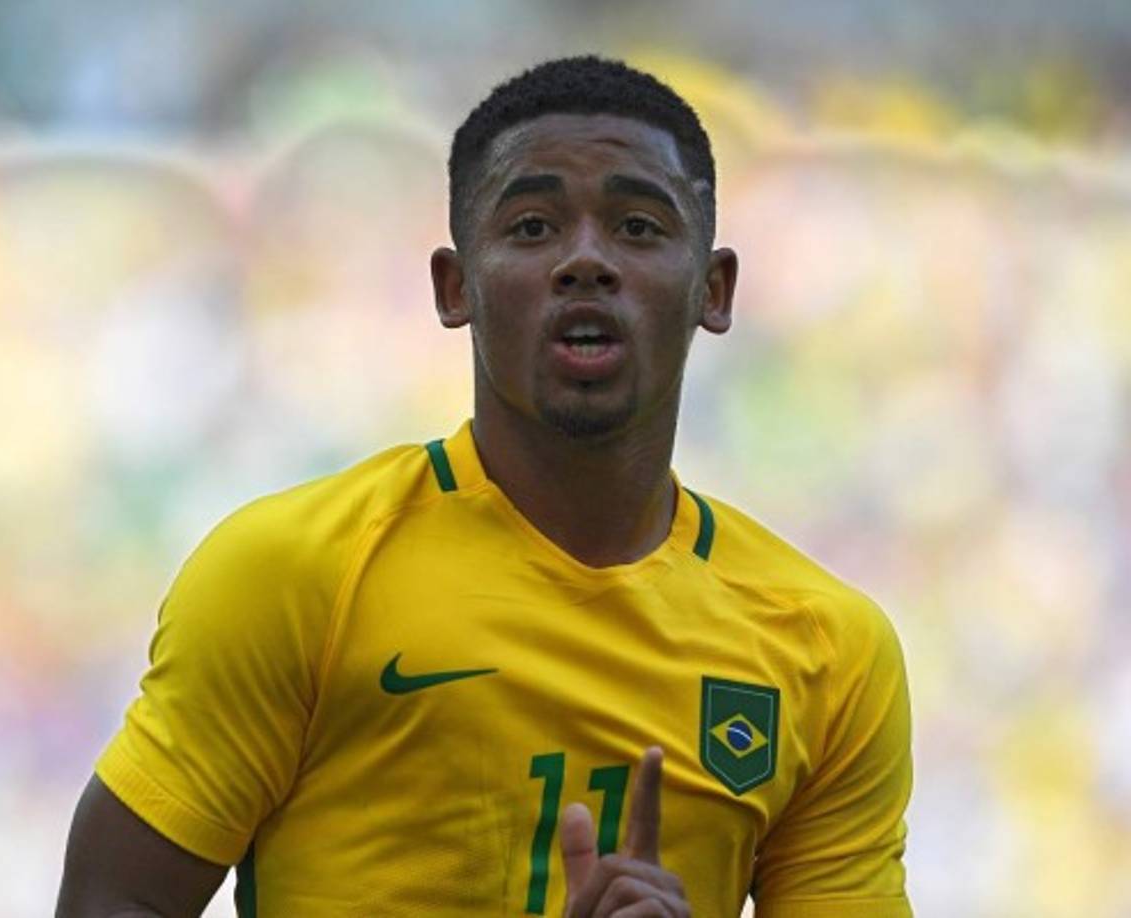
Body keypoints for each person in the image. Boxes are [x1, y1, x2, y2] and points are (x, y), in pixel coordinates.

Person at [57, 56, 913, 917]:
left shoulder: (827, 653)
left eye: (640, 227)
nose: (586, 261)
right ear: (454, 285)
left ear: (714, 290)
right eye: (534, 226)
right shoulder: (293, 574)